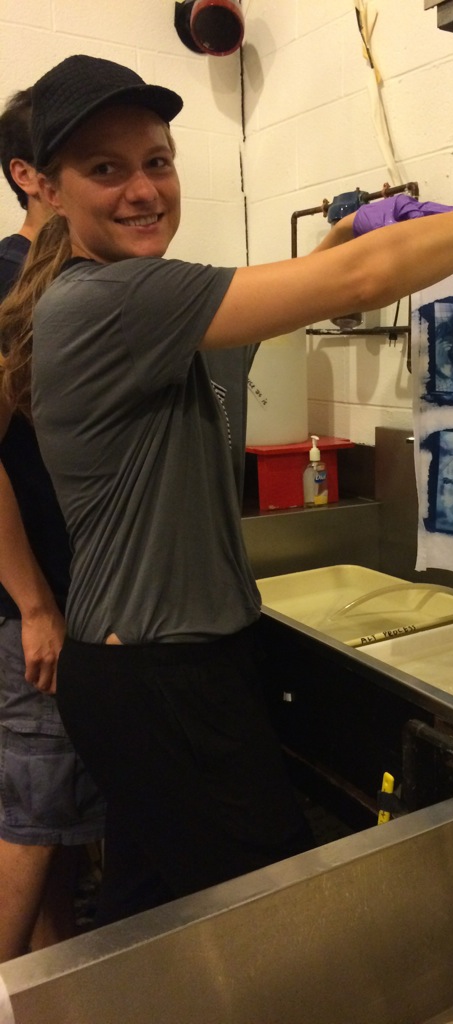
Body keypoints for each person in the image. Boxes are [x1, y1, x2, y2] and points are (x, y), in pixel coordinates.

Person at [0, 54, 453, 927]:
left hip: (152, 665)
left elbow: (282, 304)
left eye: (157, 160)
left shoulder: (131, 304)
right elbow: (358, 286)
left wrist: (349, 230)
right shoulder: (111, 300)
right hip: (157, 675)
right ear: (47, 189)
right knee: (282, 913)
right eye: (105, 168)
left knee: (149, 912)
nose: (142, 189)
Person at [0, 89, 104, 960]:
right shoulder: (9, 281)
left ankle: (54, 991)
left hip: (74, 602)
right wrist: (35, 605)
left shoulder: (78, 279)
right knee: (33, 823)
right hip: (31, 615)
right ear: (31, 176)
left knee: (59, 826)